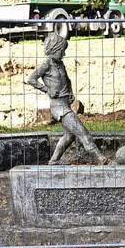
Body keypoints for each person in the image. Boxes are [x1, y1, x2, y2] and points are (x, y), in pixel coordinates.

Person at [27, 33, 109, 165]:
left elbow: (66, 79)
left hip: (66, 104)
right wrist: (47, 90)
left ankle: (54, 160)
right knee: (82, 132)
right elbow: (31, 79)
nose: (63, 54)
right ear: (54, 48)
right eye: (61, 50)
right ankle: (100, 158)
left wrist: (70, 92)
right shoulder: (46, 64)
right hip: (59, 107)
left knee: (69, 136)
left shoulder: (60, 64)